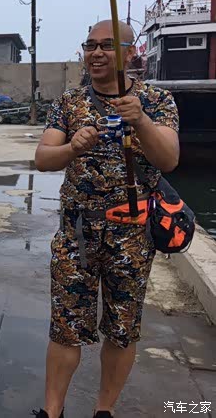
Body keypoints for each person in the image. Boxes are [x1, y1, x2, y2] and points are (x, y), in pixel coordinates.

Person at [33, 21, 180, 418]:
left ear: (131, 53)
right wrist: (72, 148)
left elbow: (169, 159)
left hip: (132, 236)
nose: (96, 53)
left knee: (122, 328)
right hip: (76, 234)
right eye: (90, 45)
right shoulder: (70, 102)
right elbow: (43, 158)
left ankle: (104, 410)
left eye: (107, 45)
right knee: (65, 327)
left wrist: (141, 121)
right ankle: (52, 411)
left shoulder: (157, 101)